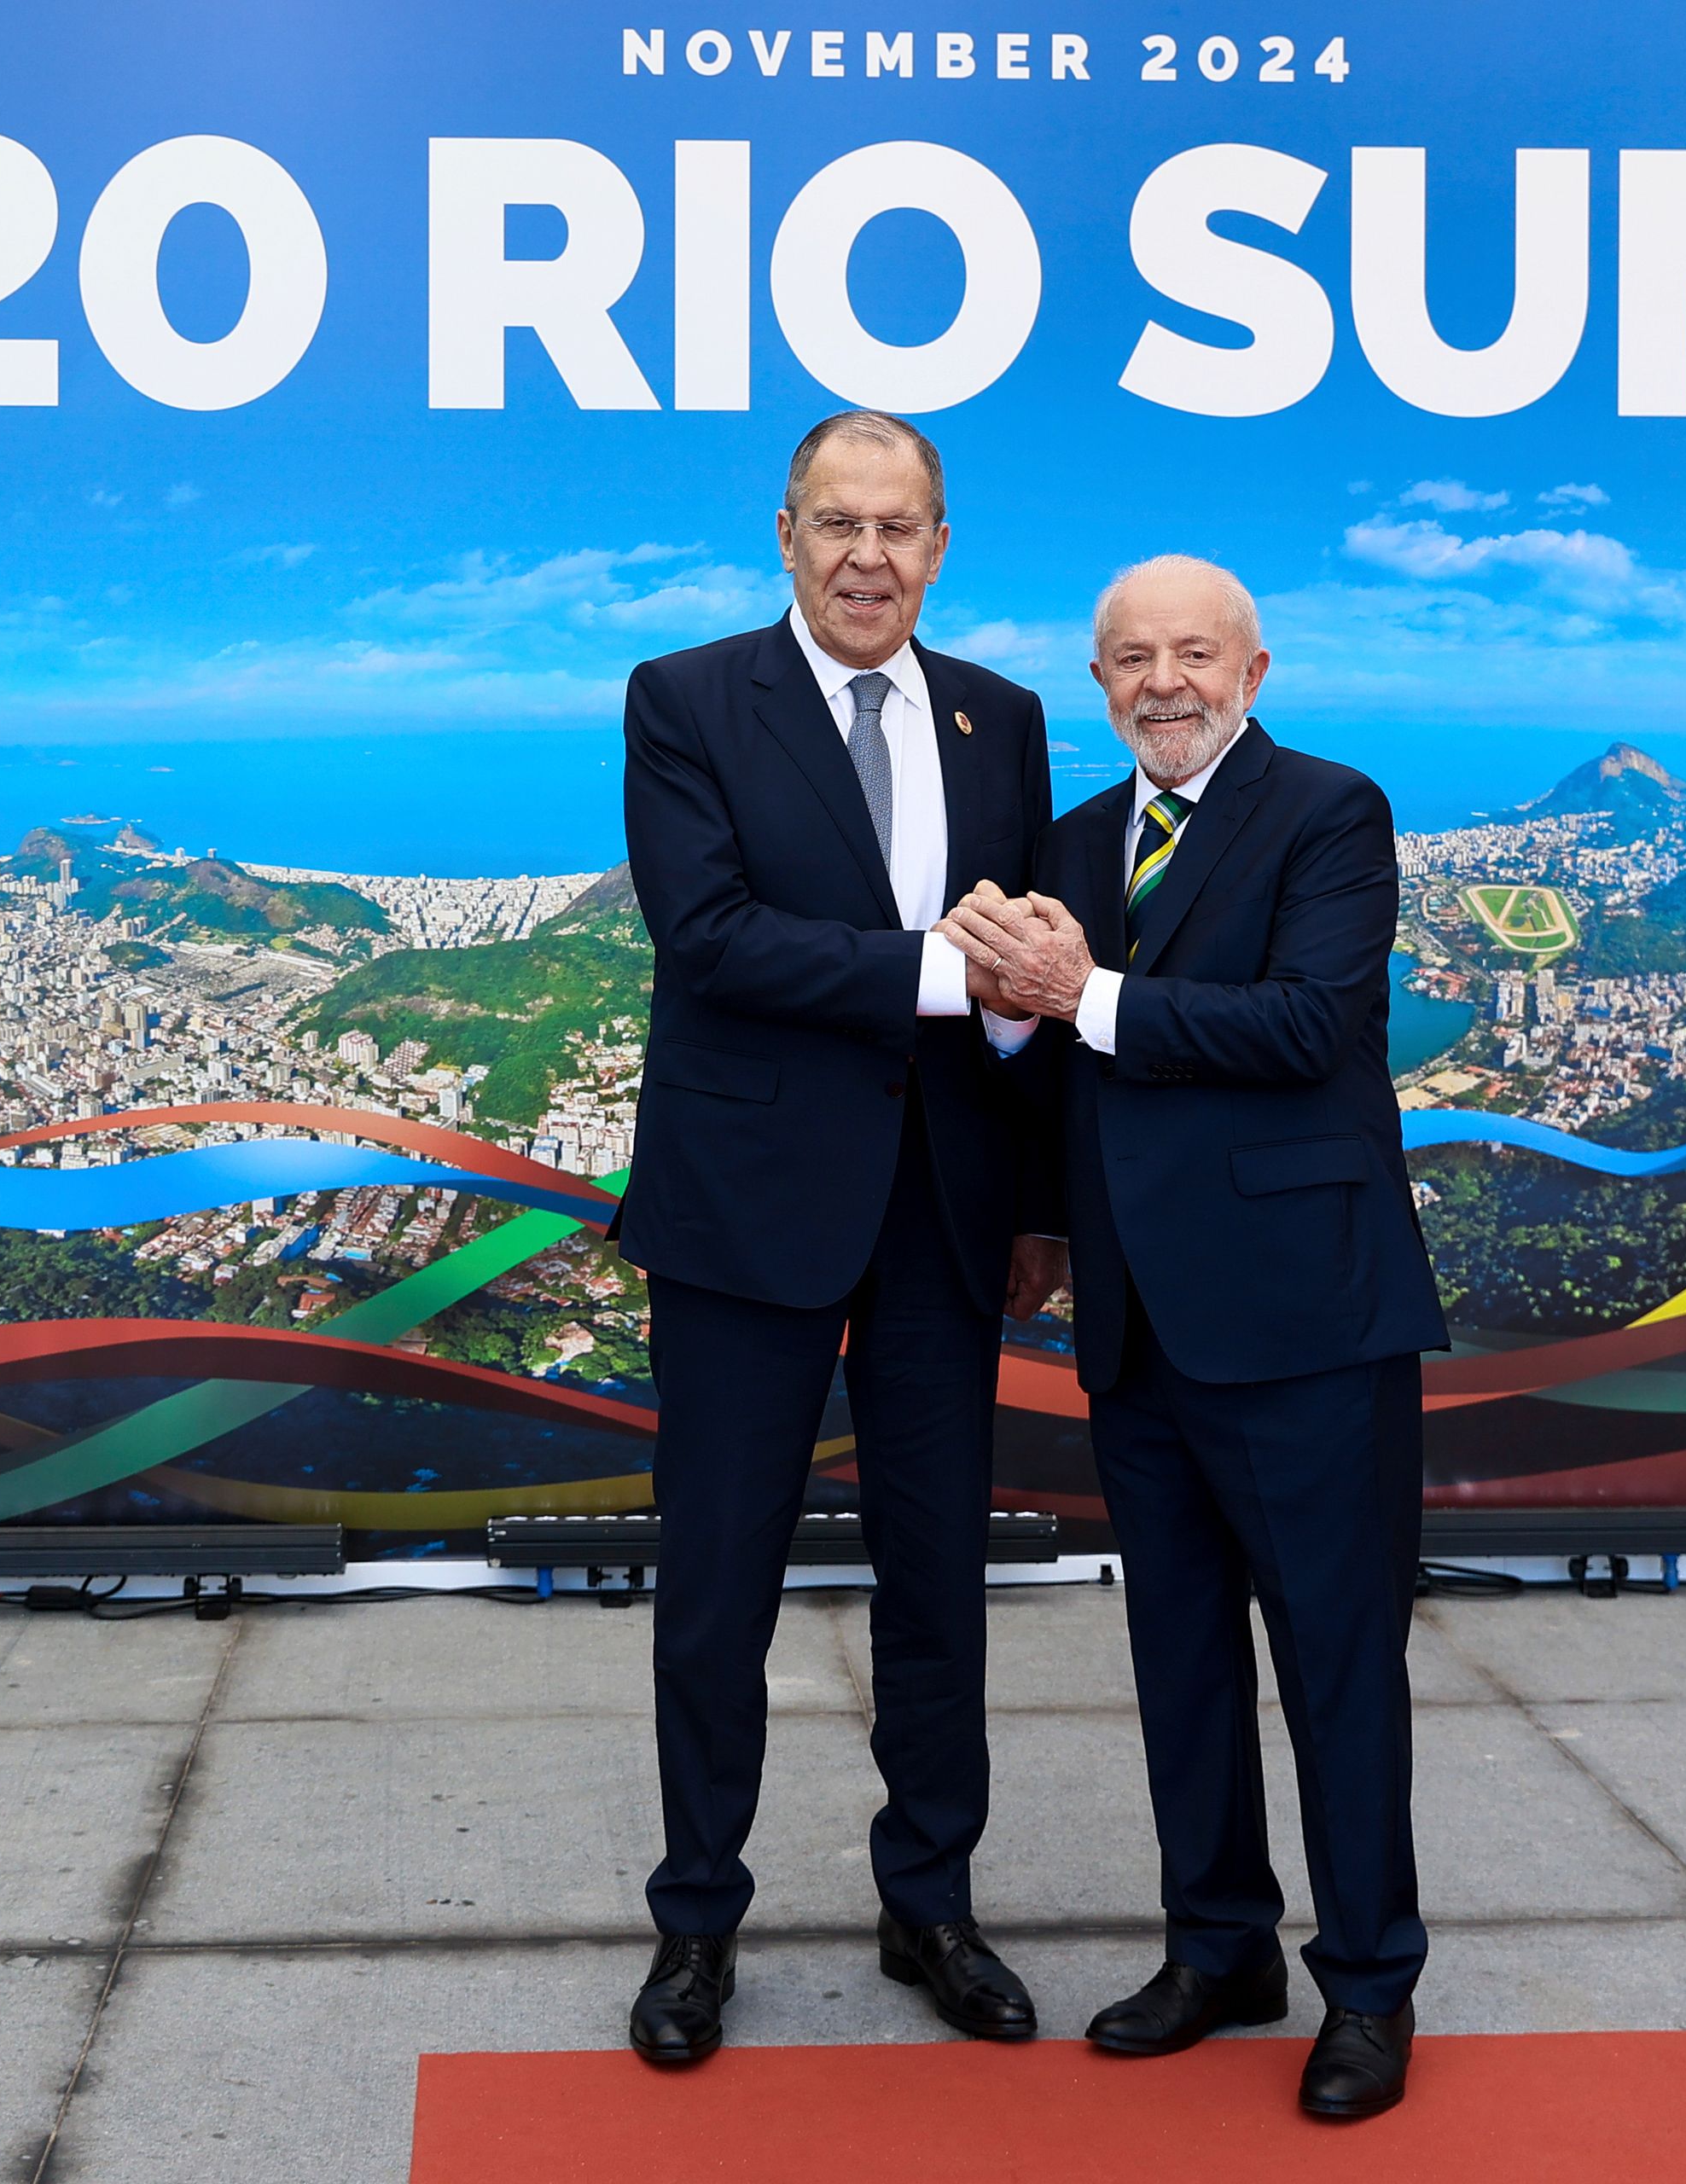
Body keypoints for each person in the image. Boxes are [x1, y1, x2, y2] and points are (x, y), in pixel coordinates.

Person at [939, 555, 1448, 2121]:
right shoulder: (1076, 842)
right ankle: (1218, 1943)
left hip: (1304, 1321)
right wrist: (1013, 1014)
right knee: (1181, 1663)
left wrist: (1076, 993)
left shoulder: (1331, 813)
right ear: (1099, 686)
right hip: (1139, 1325)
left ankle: (1368, 1984)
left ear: (1254, 670)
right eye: (1130, 661)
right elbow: (1052, 1068)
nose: (1163, 683)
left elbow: (1309, 1028)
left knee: (1337, 1662)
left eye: (1194, 655)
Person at [613, 410, 1067, 2065]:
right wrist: (955, 975)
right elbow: (711, 935)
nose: (869, 553)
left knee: (940, 1575)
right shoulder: (684, 701)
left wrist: (1032, 1199)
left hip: (944, 1214)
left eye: (901, 526)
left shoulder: (1001, 718)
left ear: (940, 546)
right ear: (785, 536)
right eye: (838, 523)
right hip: (746, 1216)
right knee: (718, 1582)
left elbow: (1023, 971)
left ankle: (929, 1899)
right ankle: (694, 1924)